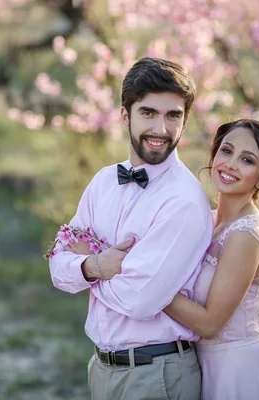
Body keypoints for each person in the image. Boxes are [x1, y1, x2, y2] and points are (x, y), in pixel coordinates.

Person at [70, 118, 259, 399]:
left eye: (247, 160)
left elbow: (209, 323)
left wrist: (144, 280)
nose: (231, 164)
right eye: (227, 151)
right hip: (198, 364)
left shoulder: (246, 235)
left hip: (236, 372)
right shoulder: (207, 218)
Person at [49, 57, 214, 399]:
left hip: (157, 376)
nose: (161, 129)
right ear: (126, 116)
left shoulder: (183, 200)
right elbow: (57, 266)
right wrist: (96, 266)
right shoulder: (102, 182)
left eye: (173, 116)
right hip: (101, 369)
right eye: (148, 113)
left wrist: (87, 276)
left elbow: (140, 300)